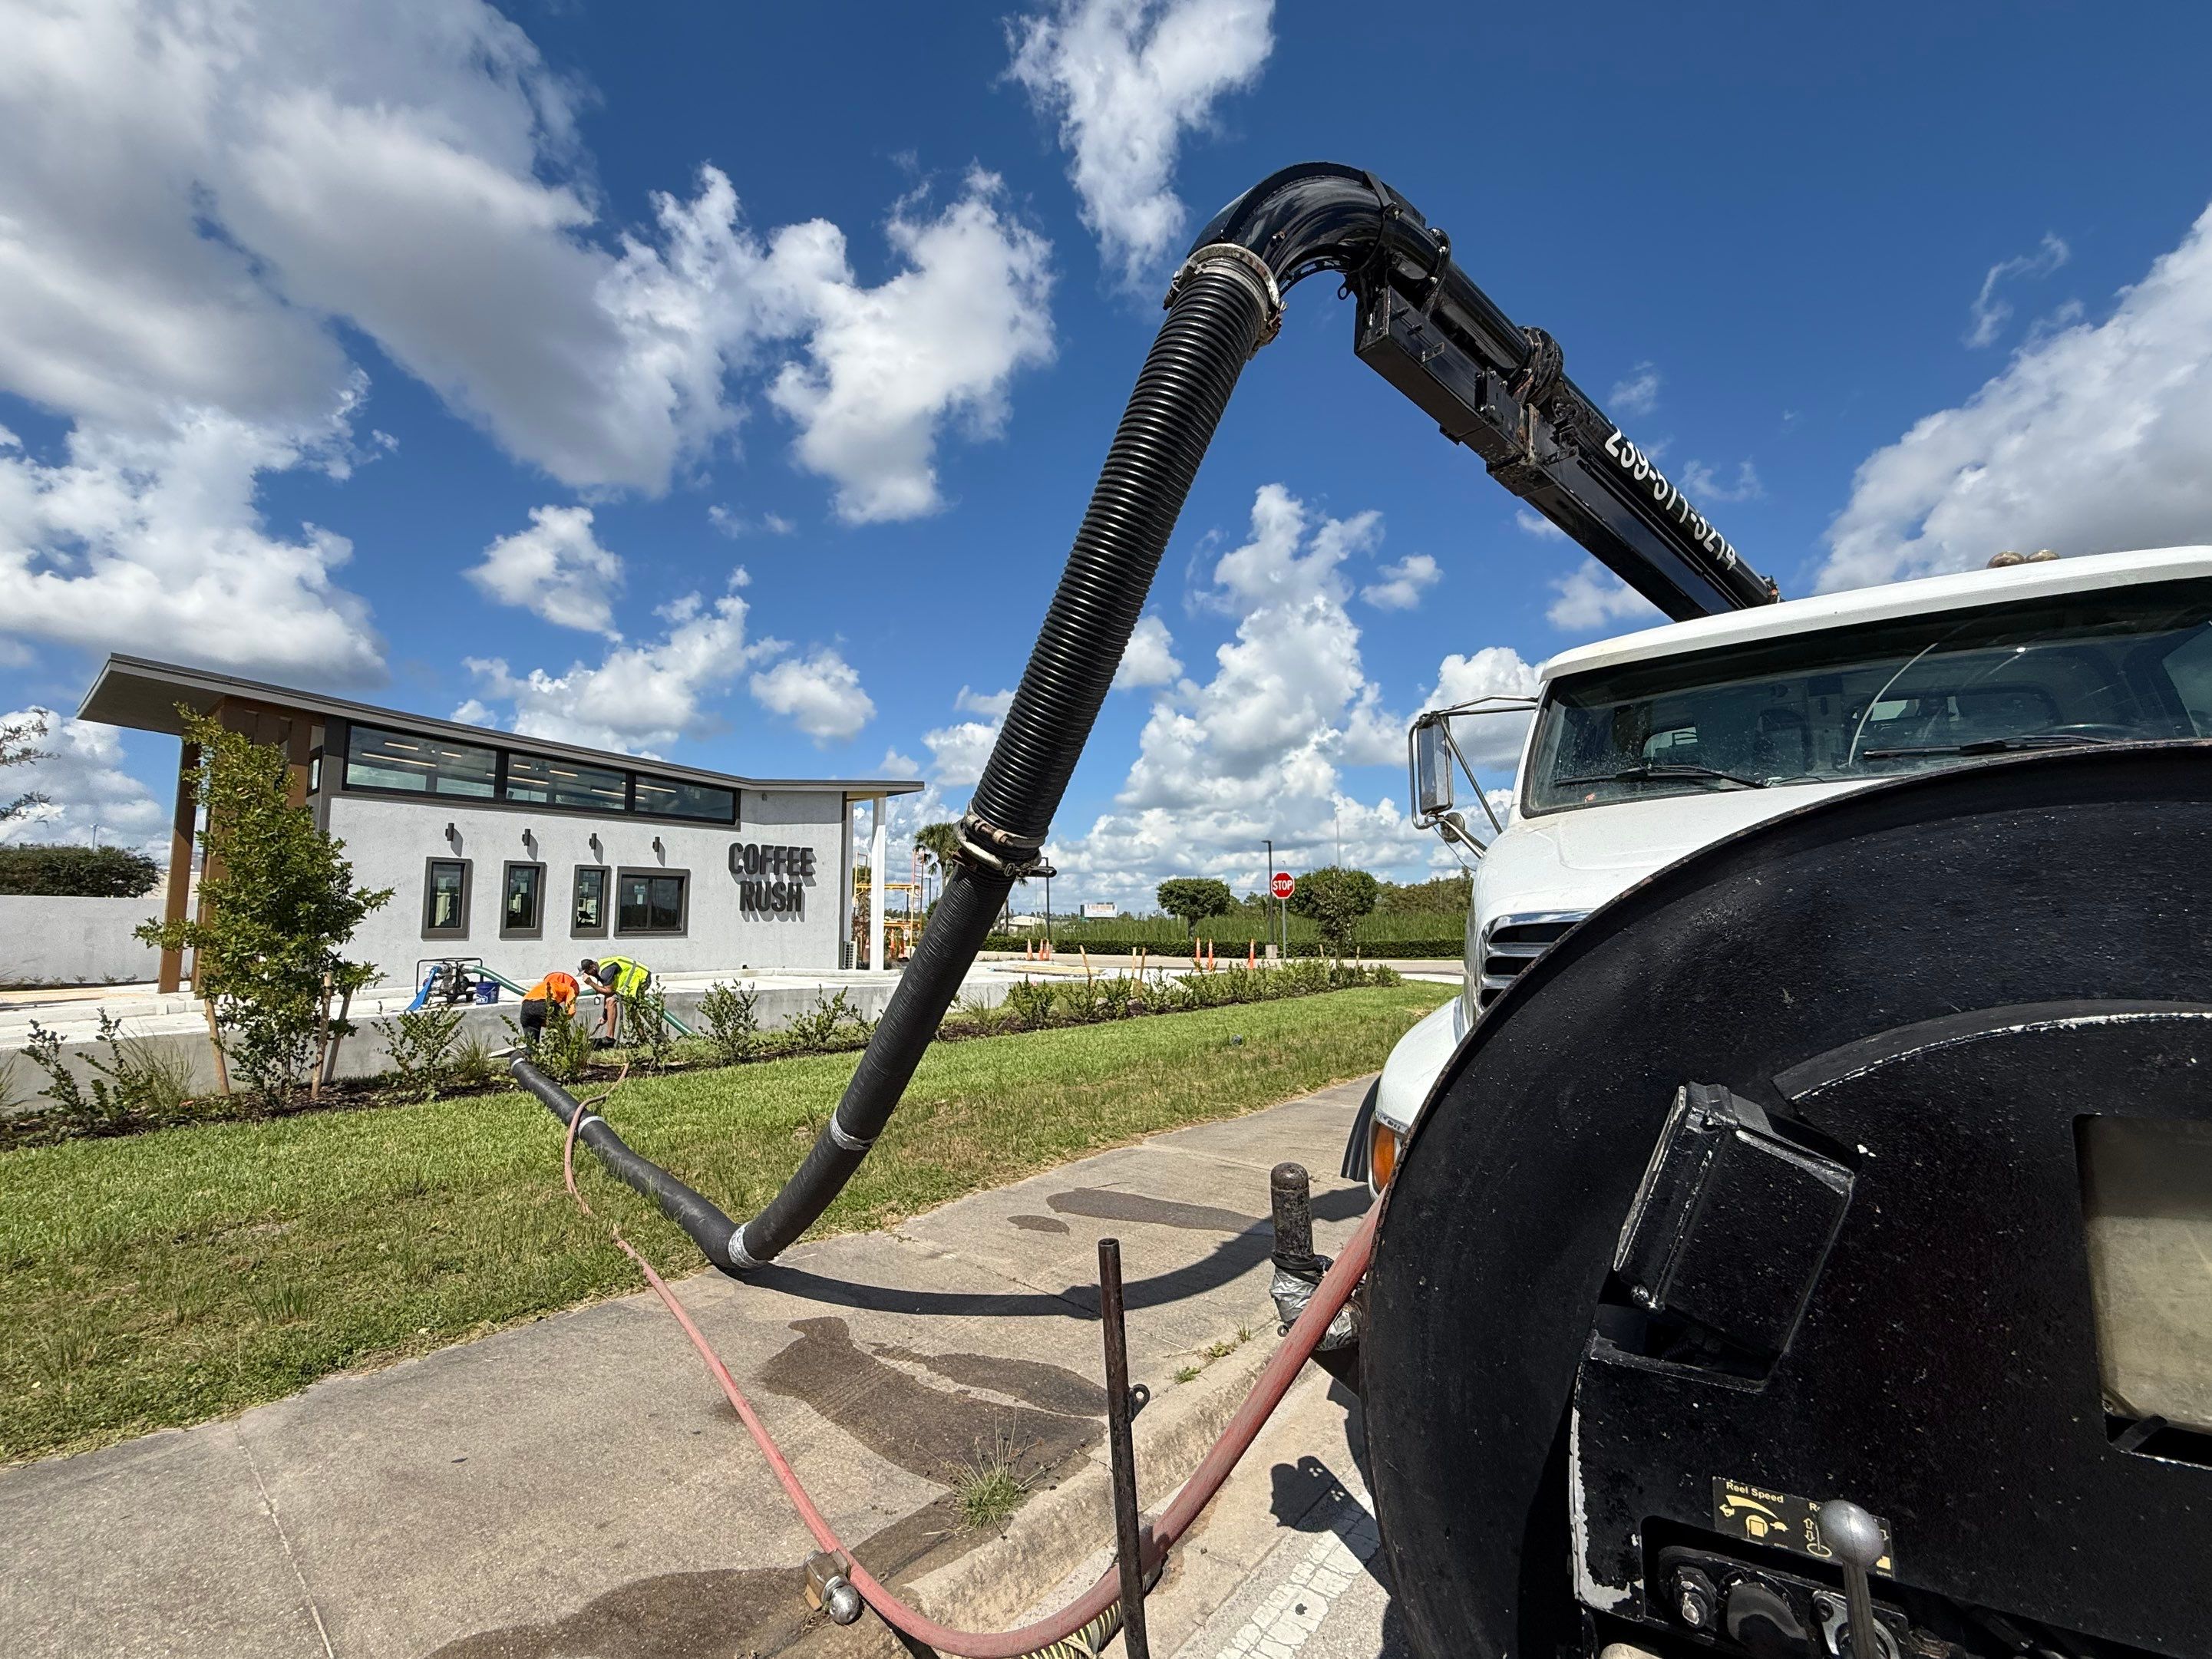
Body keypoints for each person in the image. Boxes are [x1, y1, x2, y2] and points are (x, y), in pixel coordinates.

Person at [579, 955, 651, 1044]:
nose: (588, 975)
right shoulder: (601, 968)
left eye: (587, 972)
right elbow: (608, 993)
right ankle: (644, 1041)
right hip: (635, 978)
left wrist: (591, 983)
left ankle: (610, 1039)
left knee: (612, 1002)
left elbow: (608, 991)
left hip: (640, 979)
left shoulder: (606, 972)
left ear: (592, 967)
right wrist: (604, 1016)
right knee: (631, 1011)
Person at [517, 969, 579, 1045]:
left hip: (526, 1007)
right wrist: (562, 1021)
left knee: (532, 1045)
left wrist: (541, 1020)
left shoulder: (538, 987)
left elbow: (528, 1006)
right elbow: (571, 1012)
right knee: (561, 1038)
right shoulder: (568, 988)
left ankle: (530, 1051)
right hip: (547, 1003)